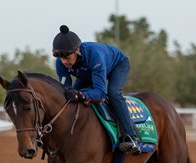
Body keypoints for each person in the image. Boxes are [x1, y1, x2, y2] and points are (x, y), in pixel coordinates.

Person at [52, 25, 141, 155]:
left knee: (113, 92)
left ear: (77, 50)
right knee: (69, 99)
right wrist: (77, 95)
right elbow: (66, 90)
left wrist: (83, 96)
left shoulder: (94, 55)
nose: (64, 61)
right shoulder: (60, 63)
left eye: (67, 57)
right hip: (88, 73)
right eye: (61, 58)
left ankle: (131, 137)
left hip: (117, 65)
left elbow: (100, 94)